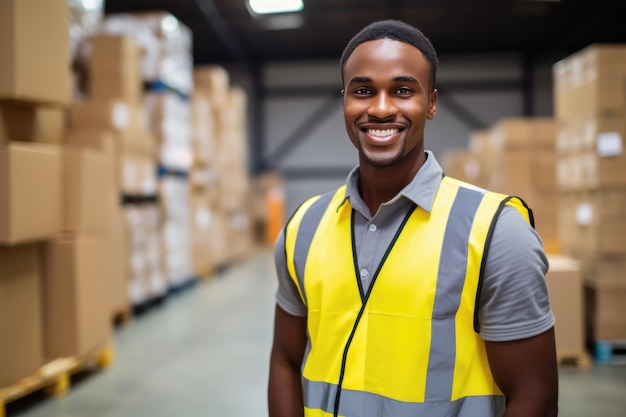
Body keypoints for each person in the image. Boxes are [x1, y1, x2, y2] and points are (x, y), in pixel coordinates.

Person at [268, 19, 558, 417]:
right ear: (344, 103)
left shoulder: (496, 232)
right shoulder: (303, 228)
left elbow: (535, 397)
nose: (382, 108)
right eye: (363, 91)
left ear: (432, 103)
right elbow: (284, 361)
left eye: (403, 91)